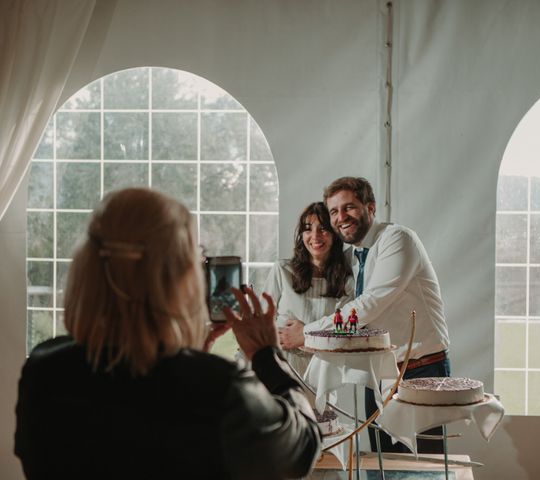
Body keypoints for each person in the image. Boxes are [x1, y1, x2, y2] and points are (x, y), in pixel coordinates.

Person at [14, 188, 321, 480]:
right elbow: (301, 451)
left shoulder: (44, 370)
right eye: (196, 256)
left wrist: (192, 353)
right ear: (180, 279)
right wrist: (266, 356)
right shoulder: (220, 389)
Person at [280, 176, 450, 454]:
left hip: (420, 369)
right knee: (385, 464)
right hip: (380, 371)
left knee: (425, 467)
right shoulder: (355, 256)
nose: (341, 217)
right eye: (334, 211)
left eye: (349, 207)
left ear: (371, 207)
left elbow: (369, 305)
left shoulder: (398, 239)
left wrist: (306, 332)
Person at [265, 201, 353, 376]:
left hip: (323, 370)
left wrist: (303, 338)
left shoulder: (346, 282)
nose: (315, 236)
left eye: (323, 229)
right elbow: (263, 320)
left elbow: (342, 337)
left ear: (335, 234)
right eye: (307, 229)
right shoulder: (282, 271)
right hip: (281, 366)